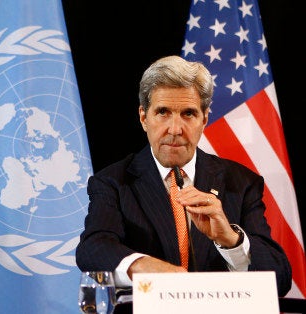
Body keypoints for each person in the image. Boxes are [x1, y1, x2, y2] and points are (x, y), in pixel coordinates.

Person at [75, 55, 292, 296]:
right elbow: (93, 248)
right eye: (163, 112)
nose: (175, 129)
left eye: (188, 114)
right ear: (144, 118)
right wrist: (145, 266)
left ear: (204, 119)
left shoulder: (240, 183)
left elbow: (279, 279)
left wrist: (231, 240)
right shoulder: (113, 182)